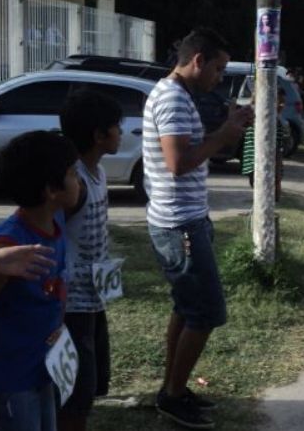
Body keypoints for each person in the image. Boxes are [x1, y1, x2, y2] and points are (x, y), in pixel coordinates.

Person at [143, 27, 253, 429]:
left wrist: (226, 128)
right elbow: (177, 163)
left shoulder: (177, 95)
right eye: (219, 68)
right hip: (179, 223)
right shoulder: (172, 97)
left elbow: (191, 152)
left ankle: (173, 387)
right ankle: (173, 396)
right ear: (198, 61)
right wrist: (224, 134)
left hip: (185, 219)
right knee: (205, 312)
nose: (219, 77)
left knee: (186, 308)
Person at [0, 130, 80, 431]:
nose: (78, 180)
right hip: (11, 379)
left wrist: (58, 323)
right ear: (52, 189)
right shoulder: (8, 247)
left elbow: (58, 282)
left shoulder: (56, 221)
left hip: (44, 366)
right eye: (72, 173)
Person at [57, 90, 123, 431]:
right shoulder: (74, 182)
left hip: (93, 297)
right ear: (99, 135)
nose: (121, 134)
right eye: (117, 127)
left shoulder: (96, 172)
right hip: (72, 302)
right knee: (74, 391)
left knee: (91, 380)